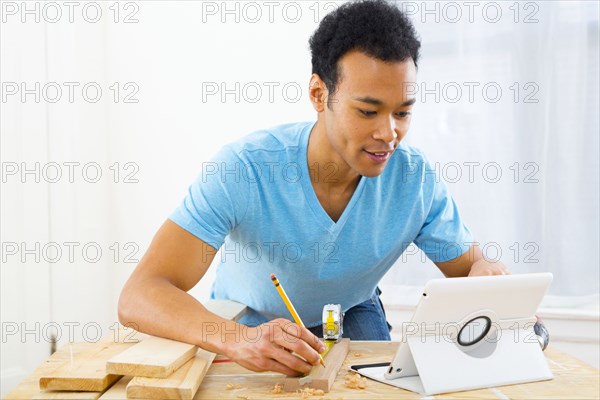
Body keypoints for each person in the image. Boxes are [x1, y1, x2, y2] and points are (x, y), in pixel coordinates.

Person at [118, 0, 509, 377]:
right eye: (368, 111)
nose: (389, 134)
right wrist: (238, 340)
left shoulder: (414, 179)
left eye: (403, 112)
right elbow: (140, 294)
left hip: (350, 311)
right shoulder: (245, 169)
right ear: (319, 95)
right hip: (248, 320)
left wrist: (486, 272)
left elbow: (470, 270)